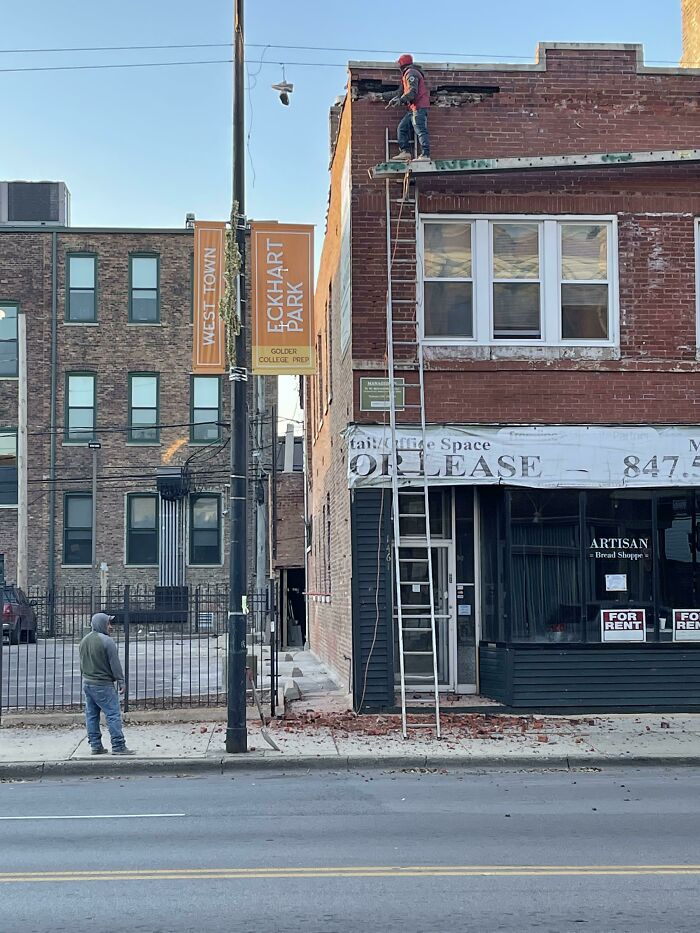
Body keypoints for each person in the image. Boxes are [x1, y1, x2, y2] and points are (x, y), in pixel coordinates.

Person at [79, 612, 133, 755]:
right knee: (113, 714)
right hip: (103, 684)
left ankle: (95, 745)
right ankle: (118, 745)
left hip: (88, 682)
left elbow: (82, 663)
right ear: (101, 624)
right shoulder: (107, 641)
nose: (111, 627)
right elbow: (115, 665)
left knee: (91, 715)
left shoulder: (84, 641)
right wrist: (121, 681)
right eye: (108, 623)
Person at [390, 54, 431, 162]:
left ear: (402, 64)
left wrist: (401, 100)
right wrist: (389, 97)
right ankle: (405, 152)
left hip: (419, 107)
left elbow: (413, 92)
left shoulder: (411, 73)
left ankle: (425, 155)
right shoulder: (408, 74)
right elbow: (400, 93)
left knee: (420, 129)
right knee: (402, 128)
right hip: (413, 108)